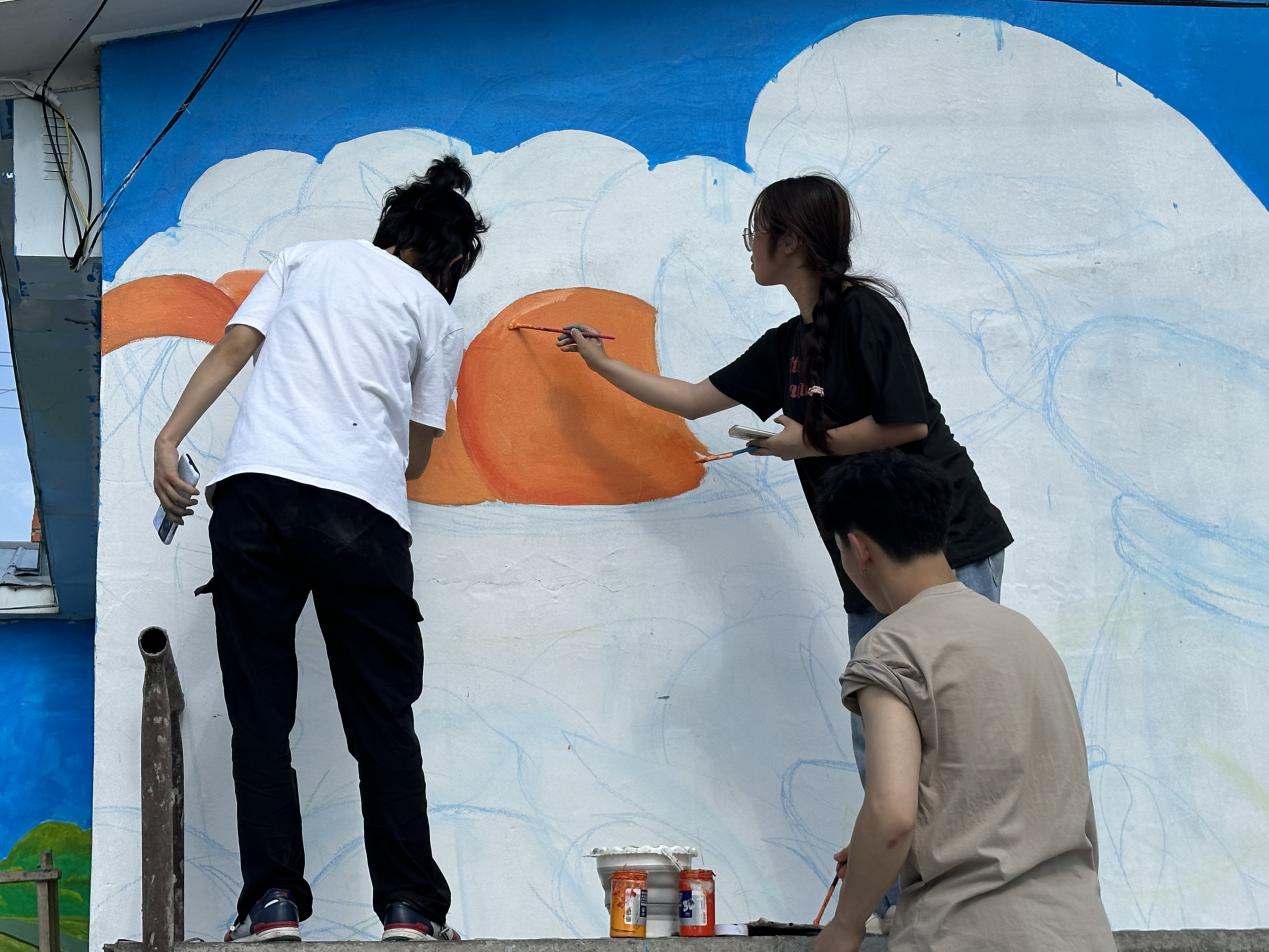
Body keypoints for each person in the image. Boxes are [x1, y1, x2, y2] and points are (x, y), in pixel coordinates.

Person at [557, 173, 1012, 821]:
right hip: (866, 567)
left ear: (790, 241)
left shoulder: (864, 312)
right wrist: (598, 363)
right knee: (880, 743)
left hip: (946, 547)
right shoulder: (787, 345)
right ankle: (896, 883)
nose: (749, 248)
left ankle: (972, 879)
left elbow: (907, 422)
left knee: (956, 732)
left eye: (755, 233)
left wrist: (805, 443)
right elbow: (691, 399)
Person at [152, 155, 486, 943]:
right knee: (382, 720)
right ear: (448, 260)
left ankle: (271, 904)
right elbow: (414, 456)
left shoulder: (304, 258)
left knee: (261, 716)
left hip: (256, 498)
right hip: (360, 518)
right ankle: (409, 909)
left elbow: (234, 347)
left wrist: (169, 439)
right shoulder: (434, 313)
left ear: (390, 229)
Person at [811, 450, 1115, 952]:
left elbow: (891, 814)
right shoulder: (1026, 636)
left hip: (966, 932)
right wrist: (875, 854)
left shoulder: (891, 646)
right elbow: (1013, 796)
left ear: (859, 548)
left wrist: (845, 925)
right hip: (1078, 930)